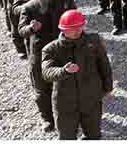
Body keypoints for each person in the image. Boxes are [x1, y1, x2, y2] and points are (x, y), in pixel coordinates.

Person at [18, 0, 76, 132]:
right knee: (42, 87)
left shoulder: (66, 1)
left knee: (67, 83)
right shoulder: (30, 7)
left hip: (63, 49)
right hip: (40, 52)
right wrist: (31, 28)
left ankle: (68, 115)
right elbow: (21, 30)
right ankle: (47, 118)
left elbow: (76, 19)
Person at [41, 9, 113, 140]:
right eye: (73, 28)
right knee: (66, 137)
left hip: (91, 99)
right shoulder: (51, 49)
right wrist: (63, 71)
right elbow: (47, 73)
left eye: (80, 26)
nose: (77, 31)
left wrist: (108, 87)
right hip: (65, 102)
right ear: (63, 29)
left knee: (94, 135)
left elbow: (104, 65)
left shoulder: (94, 42)